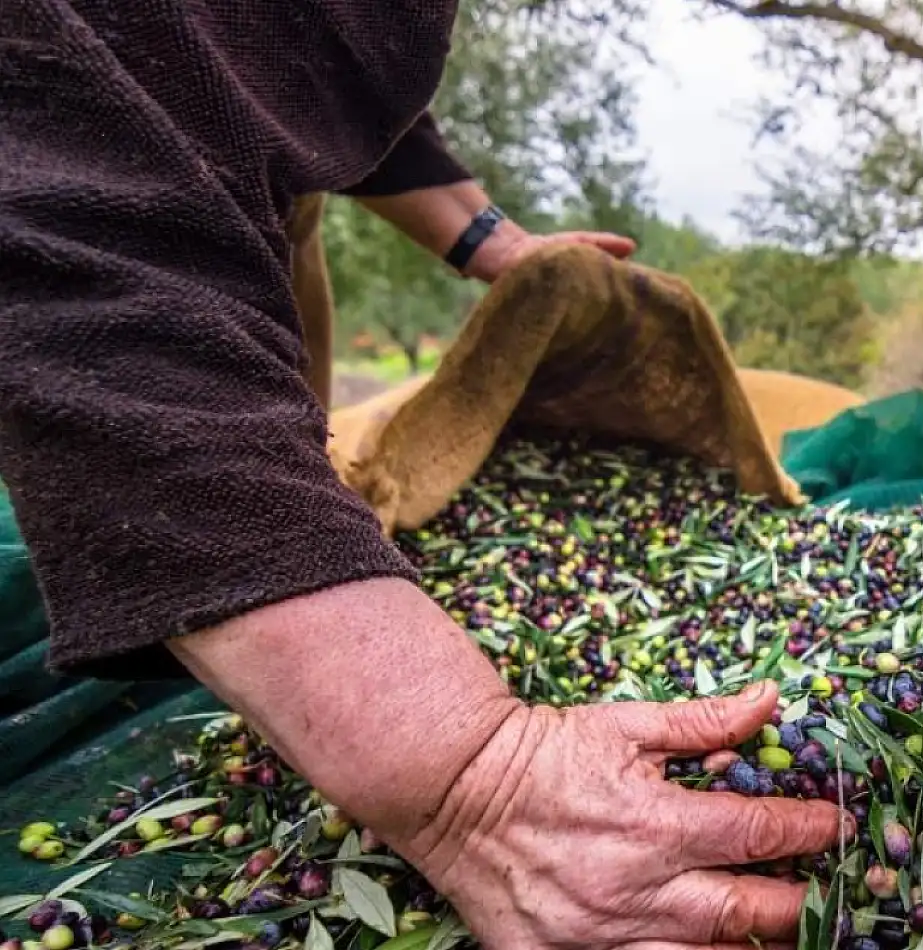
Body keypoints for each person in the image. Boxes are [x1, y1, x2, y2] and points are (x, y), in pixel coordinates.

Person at [0, 2, 845, 949]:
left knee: (286, 337)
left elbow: (291, 56)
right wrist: (471, 778)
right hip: (94, 241)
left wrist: (490, 240)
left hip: (219, 210)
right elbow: (84, 253)